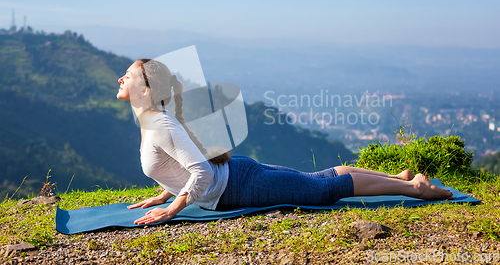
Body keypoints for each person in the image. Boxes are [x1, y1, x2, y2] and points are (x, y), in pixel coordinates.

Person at [118, 59, 453, 225]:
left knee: (323, 191)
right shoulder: (152, 121)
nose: (121, 78)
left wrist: (172, 210)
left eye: (129, 76)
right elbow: (182, 161)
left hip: (238, 187)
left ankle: (415, 189)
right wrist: (167, 190)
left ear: (146, 91)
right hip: (237, 176)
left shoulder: (158, 123)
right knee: (318, 180)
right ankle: (399, 178)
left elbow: (201, 172)